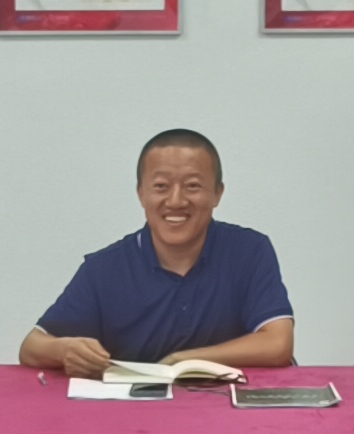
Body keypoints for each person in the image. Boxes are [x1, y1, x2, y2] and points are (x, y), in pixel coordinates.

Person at [18, 130, 297, 376]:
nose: (175, 201)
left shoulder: (249, 251)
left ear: (217, 194)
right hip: (138, 412)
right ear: (141, 193)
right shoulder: (104, 269)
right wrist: (65, 350)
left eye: (192, 186)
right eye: (161, 186)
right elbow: (32, 347)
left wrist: (182, 361)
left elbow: (278, 344)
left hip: (229, 410)